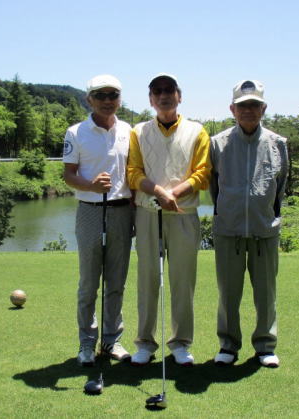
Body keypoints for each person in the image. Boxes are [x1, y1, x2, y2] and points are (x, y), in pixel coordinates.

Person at [127, 73, 211, 366]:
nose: (163, 95)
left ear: (179, 96)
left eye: (169, 90)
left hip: (183, 215)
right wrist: (160, 192)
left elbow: (202, 174)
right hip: (148, 214)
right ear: (151, 99)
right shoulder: (138, 131)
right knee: (147, 280)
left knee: (183, 282)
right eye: (157, 91)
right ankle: (145, 343)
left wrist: (173, 194)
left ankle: (181, 343)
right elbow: (133, 173)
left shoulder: (197, 131)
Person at [210, 80, 288, 368]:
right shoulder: (218, 144)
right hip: (228, 230)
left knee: (266, 294)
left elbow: (280, 186)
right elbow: (213, 187)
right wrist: (225, 213)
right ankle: (228, 345)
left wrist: (268, 216)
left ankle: (265, 346)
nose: (248, 110)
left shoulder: (278, 144)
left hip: (264, 230)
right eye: (242, 106)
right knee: (228, 294)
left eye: (254, 105)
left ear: (263, 108)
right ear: (232, 109)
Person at [62, 74, 134, 366]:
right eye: (100, 95)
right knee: (89, 282)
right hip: (90, 210)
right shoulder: (76, 132)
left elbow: (133, 174)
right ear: (89, 99)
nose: (107, 100)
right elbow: (68, 175)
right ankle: (87, 343)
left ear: (120, 99)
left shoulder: (128, 130)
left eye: (113, 95)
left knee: (116, 282)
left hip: (121, 211)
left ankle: (112, 340)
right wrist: (91, 186)